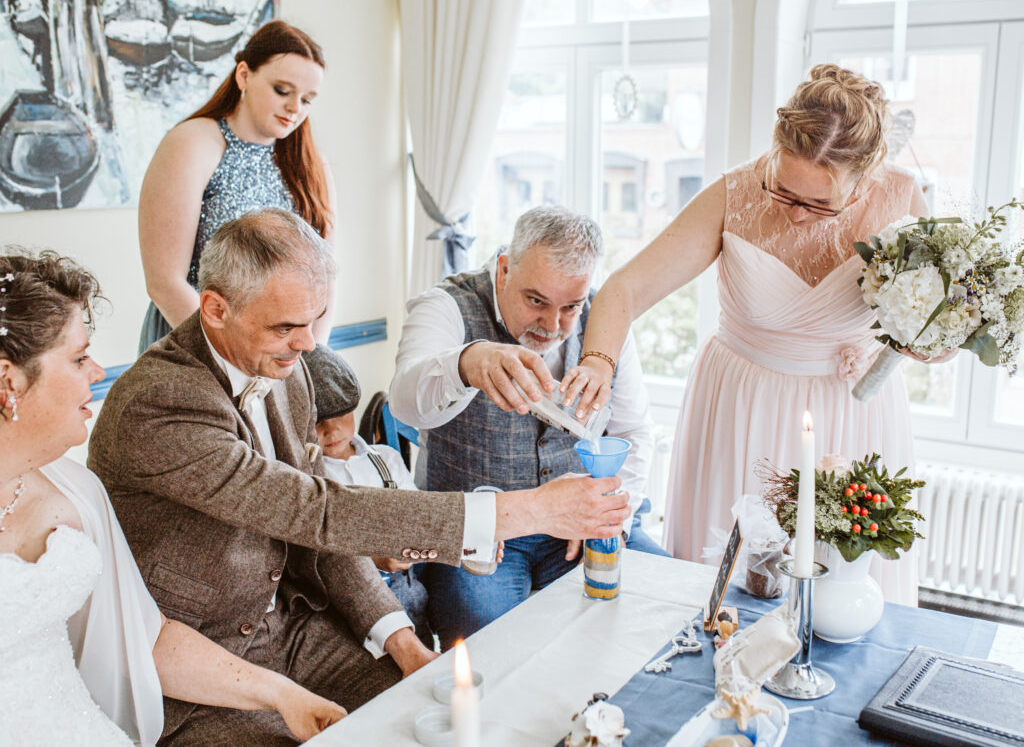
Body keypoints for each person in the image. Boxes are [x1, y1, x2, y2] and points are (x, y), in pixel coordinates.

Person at [88, 208, 628, 744]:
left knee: (433, 720)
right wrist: (532, 509)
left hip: (298, 633)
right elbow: (316, 510)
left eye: (314, 319)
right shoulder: (157, 403)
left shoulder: (287, 366)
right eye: (286, 326)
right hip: (198, 671)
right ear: (215, 309)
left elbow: (321, 537)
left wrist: (402, 641)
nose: (308, 345)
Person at [561, 65, 954, 607]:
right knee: (727, 599)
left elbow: (942, 326)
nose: (795, 215)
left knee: (842, 597)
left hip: (852, 416)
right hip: (739, 410)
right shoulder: (734, 195)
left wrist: (934, 342)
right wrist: (600, 361)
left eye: (819, 203)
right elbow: (623, 290)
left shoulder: (903, 200)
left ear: (864, 180)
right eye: (783, 189)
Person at [0, 250, 345, 747]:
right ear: (10, 381)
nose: (98, 371)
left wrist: (282, 694)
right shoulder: (157, 403)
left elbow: (148, 637)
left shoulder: (77, 493)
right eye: (78, 358)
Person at [388, 205, 664, 649]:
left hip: (576, 525)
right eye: (536, 301)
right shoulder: (447, 305)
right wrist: (466, 363)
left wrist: (610, 515)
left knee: (658, 600)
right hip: (481, 533)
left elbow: (633, 431)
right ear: (503, 270)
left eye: (570, 307)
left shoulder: (604, 322)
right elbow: (405, 400)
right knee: (493, 641)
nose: (553, 326)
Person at [137, 19, 336, 353]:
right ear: (244, 75)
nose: (294, 108)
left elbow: (326, 278)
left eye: (307, 99)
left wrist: (306, 354)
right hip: (195, 344)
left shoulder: (311, 164)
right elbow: (164, 281)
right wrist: (234, 357)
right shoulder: (193, 143)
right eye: (282, 91)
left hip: (284, 357)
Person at [301, 343, 432, 648]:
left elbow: (416, 511)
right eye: (318, 420)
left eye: (341, 415)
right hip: (345, 599)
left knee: (420, 640)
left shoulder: (385, 458)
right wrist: (371, 557)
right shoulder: (307, 476)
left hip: (405, 587)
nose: (331, 430)